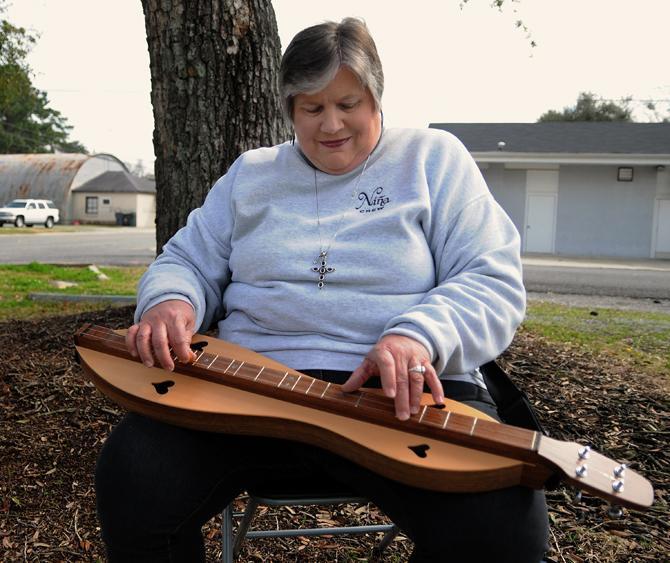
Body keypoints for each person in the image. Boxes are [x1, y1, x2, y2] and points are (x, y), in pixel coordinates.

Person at [96, 17, 549, 562]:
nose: (331, 123)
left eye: (348, 103)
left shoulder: (433, 160)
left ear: (376, 98)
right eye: (312, 108)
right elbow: (187, 259)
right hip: (251, 388)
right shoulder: (251, 174)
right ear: (289, 110)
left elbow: (491, 276)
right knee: (133, 478)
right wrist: (172, 300)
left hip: (398, 395)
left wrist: (416, 336)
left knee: (503, 524)